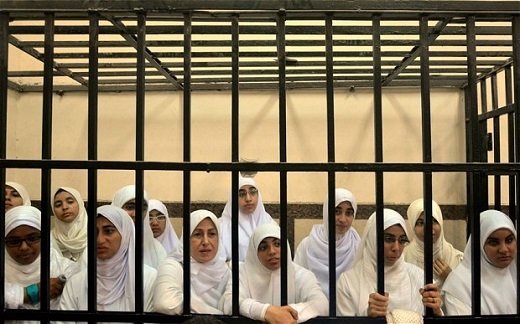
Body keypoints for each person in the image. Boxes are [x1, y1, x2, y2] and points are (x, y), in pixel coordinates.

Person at [336, 208, 443, 317]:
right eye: (388, 239)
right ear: (373, 238)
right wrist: (367, 317)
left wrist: (436, 312)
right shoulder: (349, 282)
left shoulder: (419, 278)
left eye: (402, 240)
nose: (396, 248)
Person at [59, 205, 157, 312]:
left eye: (109, 231)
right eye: (95, 232)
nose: (99, 240)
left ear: (125, 234)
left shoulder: (148, 280)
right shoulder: (76, 283)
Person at [239, 223, 328, 323]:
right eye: (264, 247)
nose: (272, 251)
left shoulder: (301, 275)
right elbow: (230, 302)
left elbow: (321, 304)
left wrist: (285, 315)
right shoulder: (242, 272)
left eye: (277, 244)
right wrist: (265, 311)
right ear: (254, 252)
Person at [154, 209, 232, 315]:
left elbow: (232, 306)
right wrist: (217, 315)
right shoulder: (173, 266)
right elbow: (165, 303)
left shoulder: (225, 271)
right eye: (198, 234)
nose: (205, 241)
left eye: (212, 234)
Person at [4, 205, 80, 312]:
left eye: (32, 238)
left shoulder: (66, 269)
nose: (24, 247)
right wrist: (30, 293)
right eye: (14, 241)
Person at [442, 209, 517, 315]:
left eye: (509, 240)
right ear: (479, 245)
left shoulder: (515, 272)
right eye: (493, 242)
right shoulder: (460, 284)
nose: (504, 249)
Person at [294, 188, 360, 297]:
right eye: (337, 212)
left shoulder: (357, 245)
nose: (343, 219)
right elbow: (296, 283)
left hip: (349, 310)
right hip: (312, 308)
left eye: (349, 213)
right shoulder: (307, 245)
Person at [404, 198, 463, 288]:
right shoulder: (402, 258)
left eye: (433, 221)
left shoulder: (458, 259)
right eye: (420, 223)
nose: (427, 228)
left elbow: (469, 297)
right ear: (413, 226)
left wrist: (451, 278)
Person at [219, 176, 276, 262]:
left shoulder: (270, 224)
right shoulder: (221, 226)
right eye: (242, 194)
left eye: (252, 192)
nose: (248, 199)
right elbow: (218, 263)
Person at [111, 185, 167, 269]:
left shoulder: (157, 249)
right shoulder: (101, 245)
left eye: (142, 208)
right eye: (130, 207)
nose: (136, 214)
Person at [50, 187, 88, 265]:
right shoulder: (50, 238)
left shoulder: (96, 233)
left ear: (80, 204)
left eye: (70, 202)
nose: (64, 207)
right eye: (58, 205)